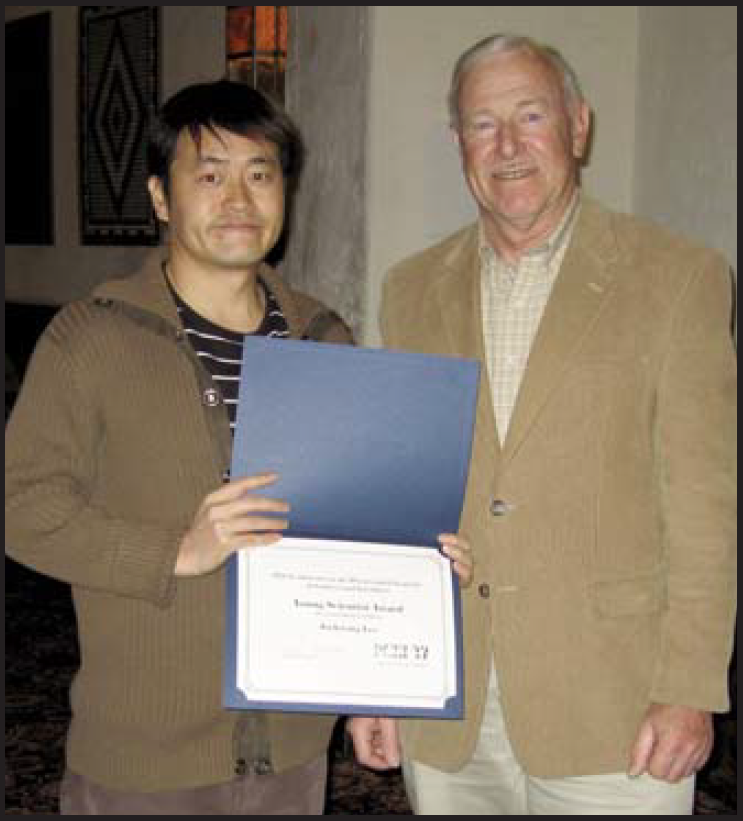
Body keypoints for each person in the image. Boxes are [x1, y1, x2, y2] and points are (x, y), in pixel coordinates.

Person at [4, 78, 473, 815]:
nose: (238, 199)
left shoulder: (323, 338)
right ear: (161, 197)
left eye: (260, 174)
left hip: (288, 750)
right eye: (210, 175)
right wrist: (174, 549)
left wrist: (370, 690)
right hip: (145, 757)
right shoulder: (91, 337)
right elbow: (21, 507)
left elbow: (352, 528)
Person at [349, 34, 737, 815]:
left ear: (578, 126)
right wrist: (377, 681)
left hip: (614, 704)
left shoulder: (677, 276)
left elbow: (704, 503)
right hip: (448, 694)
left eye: (530, 116)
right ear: (458, 143)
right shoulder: (410, 287)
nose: (508, 146)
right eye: (482, 124)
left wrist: (689, 686)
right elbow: (394, 496)